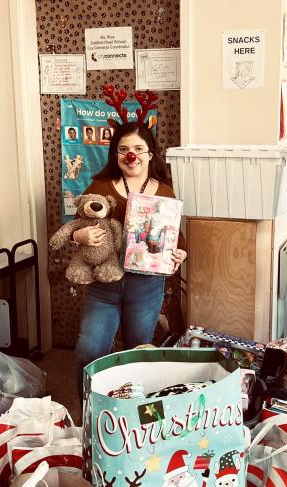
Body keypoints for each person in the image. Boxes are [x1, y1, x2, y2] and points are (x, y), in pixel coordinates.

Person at [72, 120, 187, 398]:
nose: (130, 155)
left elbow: (175, 238)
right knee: (90, 350)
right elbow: (77, 225)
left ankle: (132, 417)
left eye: (138, 148)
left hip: (145, 286)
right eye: (123, 149)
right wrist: (80, 236)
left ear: (150, 154)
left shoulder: (164, 191)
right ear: (115, 154)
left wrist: (180, 253)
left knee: (138, 352)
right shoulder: (100, 185)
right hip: (104, 285)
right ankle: (90, 414)